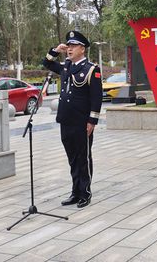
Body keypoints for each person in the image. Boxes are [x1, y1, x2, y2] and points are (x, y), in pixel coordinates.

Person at [43, 30, 102, 208]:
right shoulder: (66, 67)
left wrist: (92, 121)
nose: (69, 49)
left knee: (83, 157)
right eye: (68, 45)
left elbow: (96, 97)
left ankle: (85, 193)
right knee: (72, 158)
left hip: (82, 121)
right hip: (66, 120)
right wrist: (55, 50)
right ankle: (75, 191)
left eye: (74, 46)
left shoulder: (91, 69)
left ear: (82, 49)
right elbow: (46, 63)